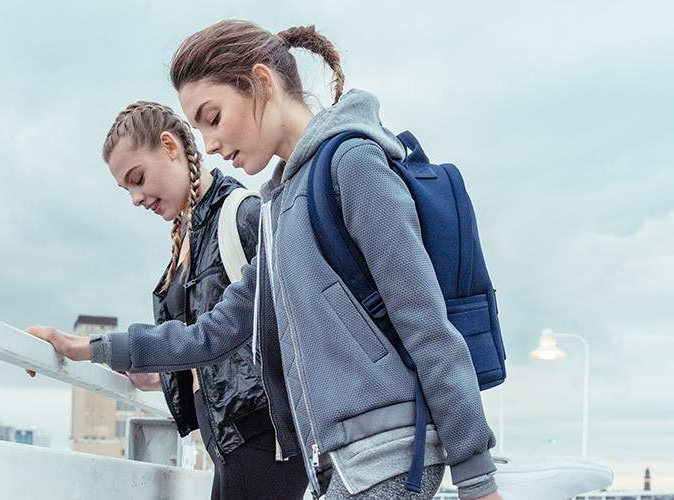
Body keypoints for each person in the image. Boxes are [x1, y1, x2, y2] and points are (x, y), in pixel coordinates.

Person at [28, 20, 503, 500]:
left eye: (212, 118)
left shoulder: (351, 164)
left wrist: (477, 479)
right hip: (340, 464)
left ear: (261, 82)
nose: (209, 144)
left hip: (391, 455)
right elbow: (214, 333)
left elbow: (427, 326)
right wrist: (90, 348)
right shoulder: (279, 209)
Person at [30, 100, 308, 500]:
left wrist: (85, 347)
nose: (136, 198)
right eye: (126, 189)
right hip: (231, 443)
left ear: (170, 146)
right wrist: (159, 376)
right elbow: (216, 353)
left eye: (138, 178)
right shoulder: (189, 236)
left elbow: (229, 335)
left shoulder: (243, 215)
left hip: (262, 439)